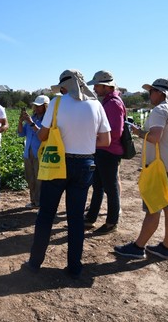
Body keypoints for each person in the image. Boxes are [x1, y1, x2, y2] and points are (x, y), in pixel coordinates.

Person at [26, 69, 111, 279]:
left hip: (58, 162)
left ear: (65, 87)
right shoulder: (96, 105)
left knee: (46, 214)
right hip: (85, 165)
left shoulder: (56, 103)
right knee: (75, 218)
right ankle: (74, 266)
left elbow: (44, 134)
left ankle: (35, 262)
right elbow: (106, 141)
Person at [114, 78, 168, 260]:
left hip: (160, 167)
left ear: (161, 93)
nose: (149, 95)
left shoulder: (160, 110)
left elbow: (154, 137)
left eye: (152, 91)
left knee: (153, 209)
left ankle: (138, 247)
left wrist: (138, 132)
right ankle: (165, 248)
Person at [84, 70, 126, 234]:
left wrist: (94, 135)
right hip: (102, 149)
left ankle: (112, 222)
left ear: (105, 86)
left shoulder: (113, 103)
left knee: (111, 188)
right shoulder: (107, 102)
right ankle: (91, 218)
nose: (94, 88)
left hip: (109, 151)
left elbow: (115, 131)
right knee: (98, 186)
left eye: (97, 85)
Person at [18, 95, 50, 208]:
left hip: (40, 153)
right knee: (30, 178)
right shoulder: (33, 117)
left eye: (39, 106)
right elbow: (21, 133)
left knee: (39, 179)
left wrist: (31, 123)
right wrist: (21, 121)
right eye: (35, 105)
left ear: (45, 107)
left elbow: (43, 136)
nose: (36, 107)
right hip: (28, 152)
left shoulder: (47, 120)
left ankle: (39, 201)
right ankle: (33, 201)